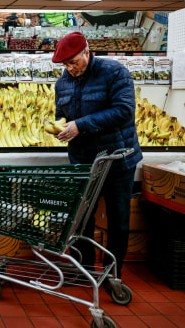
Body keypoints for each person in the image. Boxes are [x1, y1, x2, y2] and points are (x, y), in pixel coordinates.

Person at [52, 32, 142, 283]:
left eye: (74, 62)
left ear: (87, 52)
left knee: (118, 217)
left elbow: (124, 110)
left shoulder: (114, 72)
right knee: (81, 218)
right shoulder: (63, 83)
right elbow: (61, 114)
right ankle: (84, 268)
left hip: (117, 158)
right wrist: (59, 127)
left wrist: (80, 125)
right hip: (83, 160)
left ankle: (114, 272)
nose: (70, 69)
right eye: (65, 65)